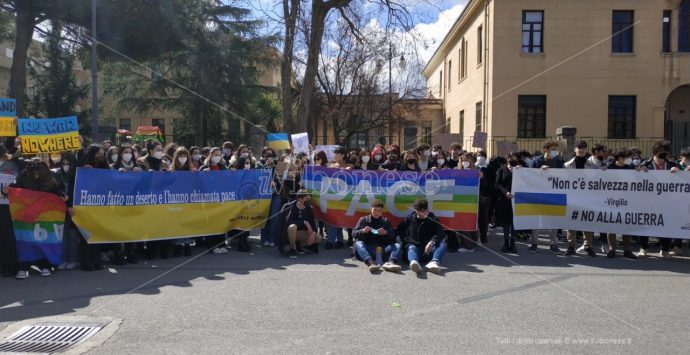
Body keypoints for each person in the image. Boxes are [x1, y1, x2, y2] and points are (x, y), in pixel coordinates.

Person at [3, 160, 67, 279]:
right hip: (26, 217)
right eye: (33, 172)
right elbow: (13, 187)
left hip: (44, 218)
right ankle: (23, 266)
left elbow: (56, 189)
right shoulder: (22, 178)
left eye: (38, 172)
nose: (36, 175)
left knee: (43, 240)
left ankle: (44, 265)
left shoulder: (50, 181)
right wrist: (6, 190)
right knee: (25, 240)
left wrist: (62, 195)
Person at [638, 140, 680, 258]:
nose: (664, 154)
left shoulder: (672, 164)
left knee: (666, 224)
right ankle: (643, 248)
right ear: (655, 151)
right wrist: (640, 170)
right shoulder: (645, 163)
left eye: (666, 152)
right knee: (645, 223)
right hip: (648, 200)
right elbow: (634, 175)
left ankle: (665, 249)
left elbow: (682, 179)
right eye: (662, 151)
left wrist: (678, 172)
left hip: (667, 201)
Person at [528, 141, 564, 254]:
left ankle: (553, 243)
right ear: (546, 149)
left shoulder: (559, 161)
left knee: (554, 220)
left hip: (554, 194)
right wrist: (540, 171)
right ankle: (534, 243)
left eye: (556, 149)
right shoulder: (537, 161)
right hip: (539, 193)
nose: (555, 152)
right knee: (537, 220)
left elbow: (564, 176)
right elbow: (529, 176)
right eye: (553, 149)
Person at [563, 140, 597, 257]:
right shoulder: (567, 165)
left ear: (586, 150)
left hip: (587, 198)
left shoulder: (592, 167)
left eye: (583, 147)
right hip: (573, 197)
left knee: (587, 222)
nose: (581, 149)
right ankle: (571, 246)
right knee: (571, 223)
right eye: (579, 147)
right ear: (575, 149)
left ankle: (588, 246)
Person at [397, 198, 447, 274]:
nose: (422, 213)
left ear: (427, 209)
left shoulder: (434, 219)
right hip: (414, 247)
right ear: (415, 210)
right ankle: (414, 262)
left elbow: (440, 233)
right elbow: (400, 229)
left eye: (424, 211)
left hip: (429, 250)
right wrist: (406, 240)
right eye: (419, 211)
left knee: (443, 244)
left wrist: (431, 243)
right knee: (410, 247)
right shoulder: (410, 218)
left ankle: (434, 262)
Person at [604, 148, 638, 259]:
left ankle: (627, 250)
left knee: (626, 225)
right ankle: (612, 249)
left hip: (626, 201)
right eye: (627, 157)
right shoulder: (610, 168)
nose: (629, 159)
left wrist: (641, 171)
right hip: (612, 200)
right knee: (611, 225)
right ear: (620, 158)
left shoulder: (631, 167)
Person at [352, 200, 402, 273]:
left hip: (383, 249)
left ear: (381, 212)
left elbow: (393, 236)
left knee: (397, 245)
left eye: (379, 210)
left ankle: (391, 263)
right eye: (374, 210)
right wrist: (362, 231)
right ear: (371, 210)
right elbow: (353, 233)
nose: (376, 212)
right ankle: (371, 263)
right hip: (368, 249)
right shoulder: (363, 219)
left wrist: (386, 233)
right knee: (358, 243)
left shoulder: (386, 221)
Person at [200, 148, 228, 254]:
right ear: (210, 155)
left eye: (219, 155)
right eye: (215, 155)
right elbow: (198, 180)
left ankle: (221, 243)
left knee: (221, 222)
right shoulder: (205, 167)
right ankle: (212, 245)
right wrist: (203, 174)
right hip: (209, 200)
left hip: (220, 198)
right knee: (211, 222)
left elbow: (228, 178)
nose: (218, 157)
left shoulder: (222, 167)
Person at [495, 152, 522, 254]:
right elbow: (498, 183)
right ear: (507, 159)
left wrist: (521, 171)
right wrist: (505, 192)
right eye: (510, 158)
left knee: (514, 222)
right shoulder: (501, 170)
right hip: (505, 200)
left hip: (516, 200)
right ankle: (506, 243)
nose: (512, 159)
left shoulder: (520, 170)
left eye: (514, 158)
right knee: (506, 223)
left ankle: (513, 243)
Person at [283, 190, 322, 258]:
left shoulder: (308, 208)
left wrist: (312, 233)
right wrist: (304, 222)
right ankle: (293, 249)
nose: (308, 200)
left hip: (303, 233)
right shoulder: (292, 207)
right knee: (292, 227)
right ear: (300, 199)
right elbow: (289, 222)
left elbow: (312, 224)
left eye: (309, 198)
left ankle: (299, 246)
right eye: (307, 198)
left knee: (318, 238)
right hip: (292, 233)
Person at [171, 147, 195, 257]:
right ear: (176, 158)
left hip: (188, 200)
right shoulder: (171, 171)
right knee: (177, 223)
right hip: (175, 200)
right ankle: (177, 245)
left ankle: (187, 245)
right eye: (180, 156)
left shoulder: (191, 170)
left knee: (188, 223)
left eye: (184, 156)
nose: (182, 158)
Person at [0, 145, 20, 277]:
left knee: (6, 236)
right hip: (6, 205)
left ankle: (9, 266)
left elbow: (11, 184)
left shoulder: (9, 166)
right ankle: (6, 267)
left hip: (6, 204)